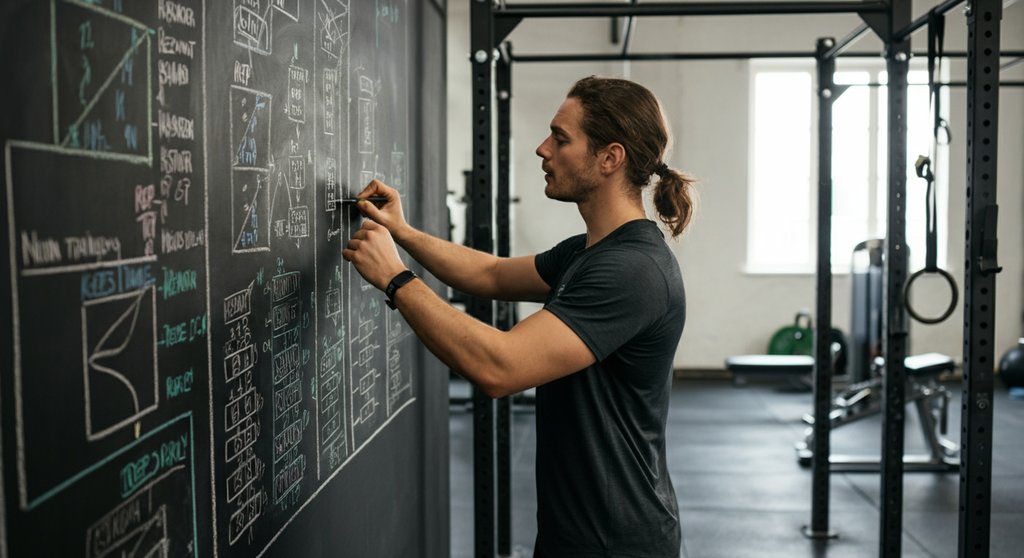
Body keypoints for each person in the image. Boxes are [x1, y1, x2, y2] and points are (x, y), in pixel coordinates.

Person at [343, 75, 696, 557]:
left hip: (615, 542)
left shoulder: (631, 270)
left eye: (561, 138)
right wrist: (402, 232)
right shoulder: (591, 251)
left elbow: (501, 367)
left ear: (610, 158)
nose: (542, 148)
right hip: (575, 531)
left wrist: (396, 280)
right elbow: (489, 274)